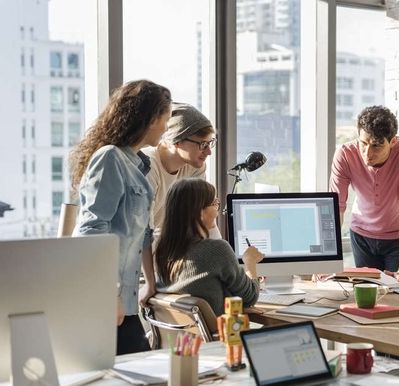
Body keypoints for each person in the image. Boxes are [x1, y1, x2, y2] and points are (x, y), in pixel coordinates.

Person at [71, 79, 172, 355]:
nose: (166, 127)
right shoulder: (110, 159)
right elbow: (92, 231)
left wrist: (150, 284)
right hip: (104, 300)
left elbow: (144, 234)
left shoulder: (141, 165)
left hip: (126, 302)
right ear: (152, 119)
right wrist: (108, 295)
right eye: (166, 118)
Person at [329, 105, 399, 284]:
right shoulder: (345, 154)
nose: (367, 154)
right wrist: (326, 263)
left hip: (398, 238)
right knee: (363, 294)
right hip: (361, 236)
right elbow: (335, 210)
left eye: (376, 146)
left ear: (393, 142)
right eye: (363, 144)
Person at [154, 178, 262, 315]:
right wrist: (250, 262)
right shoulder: (216, 249)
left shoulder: (163, 251)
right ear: (199, 212)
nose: (217, 210)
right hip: (217, 335)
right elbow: (251, 296)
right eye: (215, 203)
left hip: (184, 336)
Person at [144, 102, 219, 242]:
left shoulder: (195, 166)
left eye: (210, 143)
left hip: (170, 247)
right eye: (203, 144)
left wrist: (224, 257)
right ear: (176, 141)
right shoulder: (147, 166)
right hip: (144, 251)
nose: (208, 152)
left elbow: (205, 216)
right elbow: (143, 232)